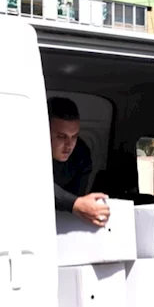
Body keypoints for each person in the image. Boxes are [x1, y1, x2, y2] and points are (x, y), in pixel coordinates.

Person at [49, 97, 109, 227]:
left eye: (75, 136)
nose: (69, 145)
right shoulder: (28, 152)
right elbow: (32, 182)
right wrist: (75, 203)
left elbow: (77, 195)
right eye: (61, 136)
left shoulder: (80, 154)